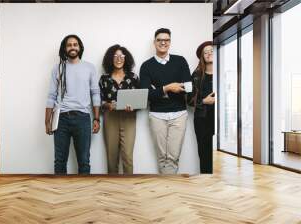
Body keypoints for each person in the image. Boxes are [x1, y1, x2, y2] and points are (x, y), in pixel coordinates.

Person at [45, 34, 101, 175]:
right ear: (65, 48)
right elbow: (51, 95)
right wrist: (47, 121)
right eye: (69, 45)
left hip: (82, 118)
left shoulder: (89, 68)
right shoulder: (58, 68)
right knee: (59, 161)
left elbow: (95, 93)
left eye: (75, 44)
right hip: (61, 118)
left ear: (80, 47)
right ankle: (60, 193)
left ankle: (84, 194)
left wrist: (96, 118)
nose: (72, 47)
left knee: (84, 161)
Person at [139, 28, 191, 174]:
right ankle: (166, 189)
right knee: (162, 157)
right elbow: (146, 94)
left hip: (179, 114)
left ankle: (169, 188)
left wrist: (158, 90)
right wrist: (168, 88)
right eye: (160, 40)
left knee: (173, 157)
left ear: (170, 42)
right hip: (157, 115)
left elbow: (187, 87)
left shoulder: (180, 61)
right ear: (154, 42)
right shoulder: (146, 66)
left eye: (166, 40)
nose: (163, 42)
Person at [99, 44, 139, 174]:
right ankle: (113, 189)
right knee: (111, 157)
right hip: (110, 117)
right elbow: (99, 101)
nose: (118, 59)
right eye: (115, 56)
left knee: (128, 156)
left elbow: (141, 99)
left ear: (126, 58)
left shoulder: (133, 77)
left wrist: (133, 106)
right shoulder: (104, 79)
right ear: (110, 59)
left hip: (129, 118)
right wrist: (107, 105)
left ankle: (129, 190)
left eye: (121, 56)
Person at [188, 41, 215, 174]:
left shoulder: (224, 71)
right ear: (202, 56)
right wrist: (204, 101)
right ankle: (207, 183)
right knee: (204, 154)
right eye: (206, 52)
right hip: (202, 120)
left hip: (219, 120)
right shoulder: (196, 75)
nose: (209, 53)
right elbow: (188, 99)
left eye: (212, 50)